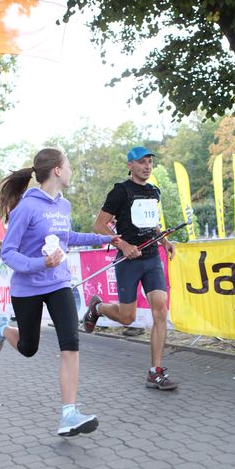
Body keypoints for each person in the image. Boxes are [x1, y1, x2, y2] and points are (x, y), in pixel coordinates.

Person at [0, 147, 119, 437]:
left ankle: (69, 414)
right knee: (28, 348)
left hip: (59, 282)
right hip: (27, 287)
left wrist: (105, 239)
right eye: (69, 166)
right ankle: (3, 329)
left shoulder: (64, 206)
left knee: (70, 341)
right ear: (57, 171)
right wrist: (41, 263)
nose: (72, 171)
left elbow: (67, 237)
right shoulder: (27, 207)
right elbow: (8, 252)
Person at [84, 145, 178, 391]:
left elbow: (152, 222)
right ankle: (97, 307)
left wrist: (164, 241)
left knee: (161, 310)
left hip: (151, 258)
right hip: (128, 261)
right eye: (141, 162)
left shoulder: (154, 191)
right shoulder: (120, 191)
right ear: (130, 165)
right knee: (128, 318)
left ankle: (155, 372)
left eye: (150, 162)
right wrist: (123, 245)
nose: (147, 166)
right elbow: (99, 225)